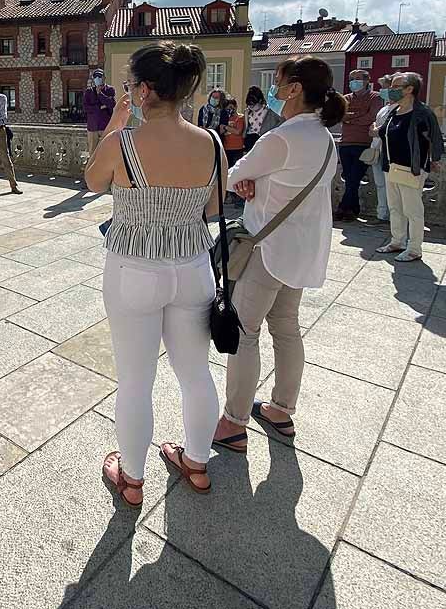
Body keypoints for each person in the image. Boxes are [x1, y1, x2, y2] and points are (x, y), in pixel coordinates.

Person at [85, 41, 223, 507]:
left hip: (134, 269)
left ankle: (132, 478)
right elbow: (215, 208)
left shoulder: (124, 143)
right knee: (196, 374)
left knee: (135, 379)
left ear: (142, 91)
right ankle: (198, 463)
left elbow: (92, 180)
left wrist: (118, 120)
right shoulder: (213, 143)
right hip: (192, 267)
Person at [212, 57, 341, 450]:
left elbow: (230, 176)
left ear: (295, 88)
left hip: (268, 249)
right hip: (301, 250)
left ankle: (233, 422)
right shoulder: (326, 139)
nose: (275, 89)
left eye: (280, 82)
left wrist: (247, 181)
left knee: (246, 332)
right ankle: (281, 409)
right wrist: (254, 181)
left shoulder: (281, 137)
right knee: (286, 328)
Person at [373, 72, 443, 262]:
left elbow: (435, 137)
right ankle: (397, 242)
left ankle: (414, 249)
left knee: (412, 210)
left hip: (411, 168)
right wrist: (376, 131)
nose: (390, 90)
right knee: (395, 207)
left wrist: (434, 159)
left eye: (395, 87)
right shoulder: (394, 111)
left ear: (409, 89)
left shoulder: (422, 113)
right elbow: (384, 132)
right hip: (390, 166)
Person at [336, 69, 383, 221]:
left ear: (366, 81)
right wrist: (357, 117)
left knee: (354, 177)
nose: (353, 82)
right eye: (351, 79)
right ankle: (352, 210)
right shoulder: (345, 98)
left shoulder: (375, 97)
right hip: (345, 143)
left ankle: (343, 208)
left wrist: (350, 118)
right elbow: (339, 115)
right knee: (350, 178)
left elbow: (371, 117)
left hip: (364, 144)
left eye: (357, 79)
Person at [361, 75, 396, 227]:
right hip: (377, 150)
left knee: (391, 186)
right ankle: (382, 215)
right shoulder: (383, 108)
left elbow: (386, 129)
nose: (383, 91)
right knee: (380, 185)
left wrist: (376, 130)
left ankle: (392, 218)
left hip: (391, 152)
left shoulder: (401, 109)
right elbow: (375, 128)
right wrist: (374, 131)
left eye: (386, 87)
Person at [84, 68, 116, 157]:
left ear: (104, 78)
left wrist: (100, 94)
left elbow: (111, 104)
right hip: (92, 127)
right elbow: (86, 108)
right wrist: (101, 107)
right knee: (92, 153)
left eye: (100, 77)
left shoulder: (110, 90)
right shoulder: (89, 92)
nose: (98, 79)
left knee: (106, 152)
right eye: (96, 77)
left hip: (105, 126)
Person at [243, 86, 270, 152]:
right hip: (250, 138)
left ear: (260, 101)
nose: (250, 107)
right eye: (249, 105)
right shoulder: (248, 111)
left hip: (262, 137)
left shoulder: (266, 111)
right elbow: (246, 128)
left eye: (253, 105)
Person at [221, 98, 246, 167]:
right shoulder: (224, 118)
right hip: (226, 148)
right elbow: (220, 130)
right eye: (227, 108)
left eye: (231, 107)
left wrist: (226, 127)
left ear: (235, 107)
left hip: (237, 148)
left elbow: (238, 131)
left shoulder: (240, 117)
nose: (230, 110)